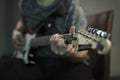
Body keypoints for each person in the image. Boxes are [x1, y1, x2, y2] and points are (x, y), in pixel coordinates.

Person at [12, 0, 94, 80]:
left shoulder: (69, 3)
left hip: (65, 64)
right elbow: (23, 20)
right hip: (32, 61)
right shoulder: (25, 2)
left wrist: (70, 52)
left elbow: (83, 51)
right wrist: (17, 31)